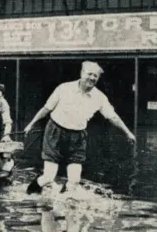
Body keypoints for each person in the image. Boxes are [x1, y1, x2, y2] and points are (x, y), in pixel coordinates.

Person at [24, 61, 136, 194]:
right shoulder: (64, 88)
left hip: (78, 136)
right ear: (82, 73)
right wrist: (31, 124)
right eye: (89, 74)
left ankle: (62, 202)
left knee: (75, 180)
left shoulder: (99, 97)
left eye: (96, 76)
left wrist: (128, 133)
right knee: (48, 177)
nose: (92, 78)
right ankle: (29, 194)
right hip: (55, 132)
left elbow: (113, 117)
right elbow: (47, 108)